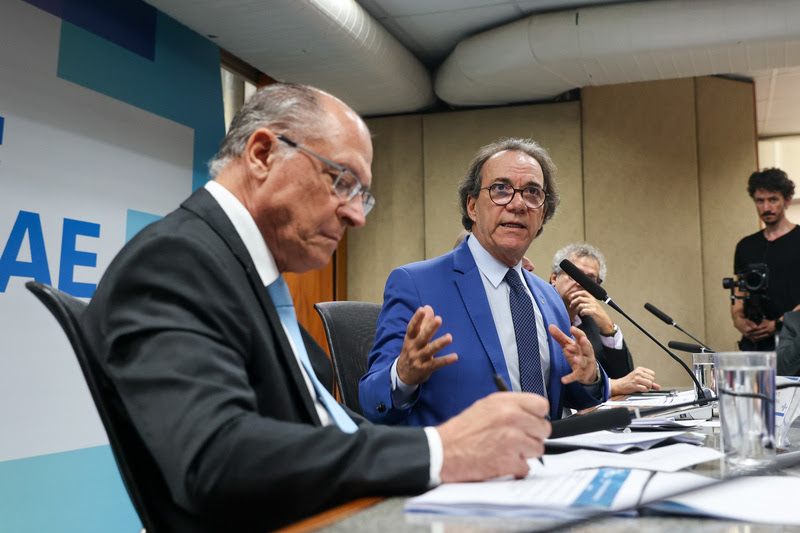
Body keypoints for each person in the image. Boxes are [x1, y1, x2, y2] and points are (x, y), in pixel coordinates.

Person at [80, 83, 551, 531]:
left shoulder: (238, 273)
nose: (357, 215)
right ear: (262, 155)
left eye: (361, 194)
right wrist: (441, 450)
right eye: (342, 181)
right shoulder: (176, 261)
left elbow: (329, 429)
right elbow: (216, 459)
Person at [359, 138, 608, 427]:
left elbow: (569, 394)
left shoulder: (548, 297)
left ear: (542, 214)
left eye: (532, 192)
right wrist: (402, 376)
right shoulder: (415, 284)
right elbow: (371, 401)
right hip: (462, 454)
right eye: (501, 189)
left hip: (549, 452)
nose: (518, 204)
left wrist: (590, 377)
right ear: (472, 206)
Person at [550, 243, 660, 395]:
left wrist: (608, 328)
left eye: (589, 278)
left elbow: (624, 380)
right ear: (554, 278)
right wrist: (612, 386)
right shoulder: (537, 313)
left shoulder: (590, 321)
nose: (580, 283)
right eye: (574, 274)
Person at [732, 168, 800, 351]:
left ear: (787, 200)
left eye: (773, 199)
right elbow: (738, 291)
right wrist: (739, 320)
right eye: (760, 201)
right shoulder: (746, 246)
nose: (766, 207)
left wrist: (777, 324)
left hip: (795, 342)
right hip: (755, 345)